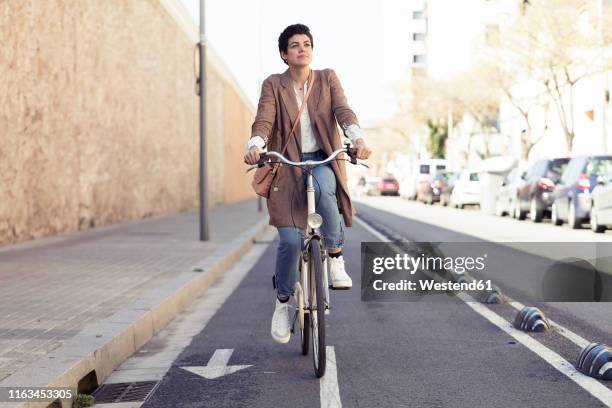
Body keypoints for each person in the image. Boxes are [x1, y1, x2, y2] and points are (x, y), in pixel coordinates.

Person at [244, 24, 372, 344]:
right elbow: (265, 118)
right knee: (288, 240)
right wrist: (255, 142)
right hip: (287, 165)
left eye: (307, 44)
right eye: (295, 45)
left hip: (322, 158)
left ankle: (336, 257)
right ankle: (284, 303)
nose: (302, 49)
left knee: (326, 193)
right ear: (284, 54)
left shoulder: (327, 78)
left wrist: (357, 137)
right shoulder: (274, 84)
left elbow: (343, 111)